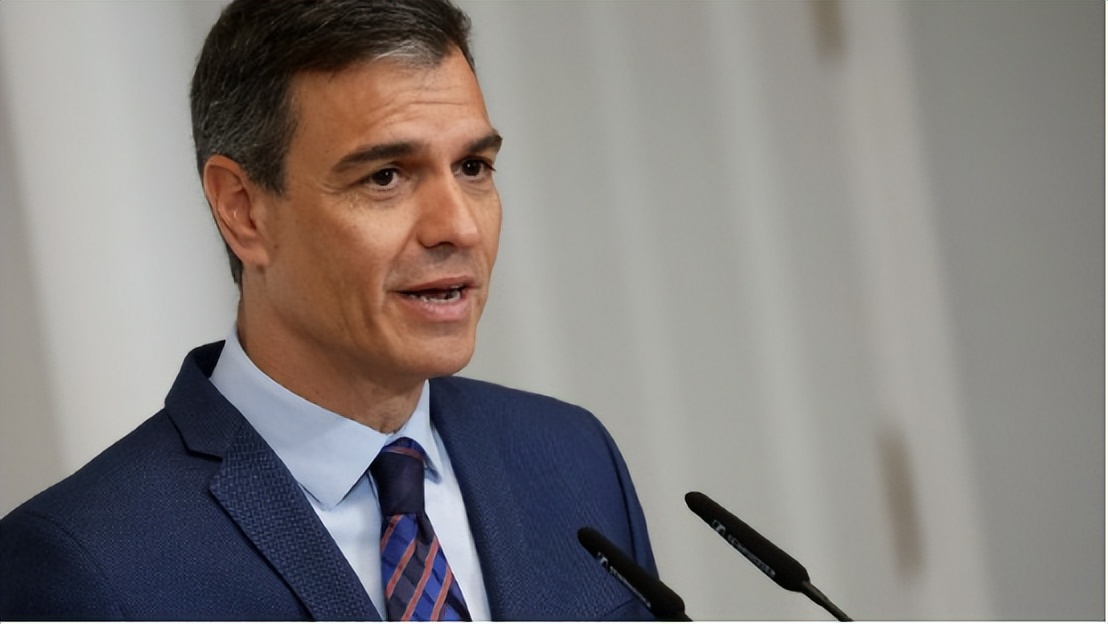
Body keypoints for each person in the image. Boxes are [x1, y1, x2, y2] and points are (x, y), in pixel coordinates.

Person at [0, 0, 657, 620]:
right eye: (385, 176)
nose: (458, 227)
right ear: (243, 210)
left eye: (473, 167)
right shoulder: (84, 564)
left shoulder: (572, 457)